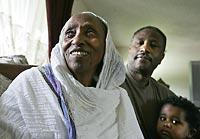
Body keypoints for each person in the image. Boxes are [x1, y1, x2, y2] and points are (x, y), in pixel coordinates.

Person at [0, 12, 144, 139]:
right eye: (70, 34)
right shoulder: (31, 82)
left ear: (106, 48)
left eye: (90, 33)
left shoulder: (118, 98)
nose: (77, 40)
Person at [121, 26, 176, 139]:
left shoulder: (166, 95)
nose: (144, 48)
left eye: (153, 45)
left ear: (161, 57)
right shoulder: (107, 81)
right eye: (140, 42)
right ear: (130, 49)